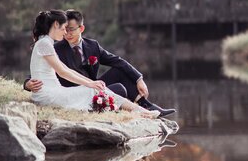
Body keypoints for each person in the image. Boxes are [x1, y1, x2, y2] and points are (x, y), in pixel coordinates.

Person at [25, 8, 175, 118]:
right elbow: (63, 72)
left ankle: (145, 108)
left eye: (70, 29)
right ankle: (143, 113)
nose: (66, 33)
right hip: (54, 92)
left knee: (113, 79)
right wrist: (27, 84)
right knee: (108, 90)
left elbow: (117, 61)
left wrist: (139, 79)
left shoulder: (90, 45)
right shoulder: (49, 45)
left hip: (58, 91)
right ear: (56, 25)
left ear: (81, 28)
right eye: (64, 28)